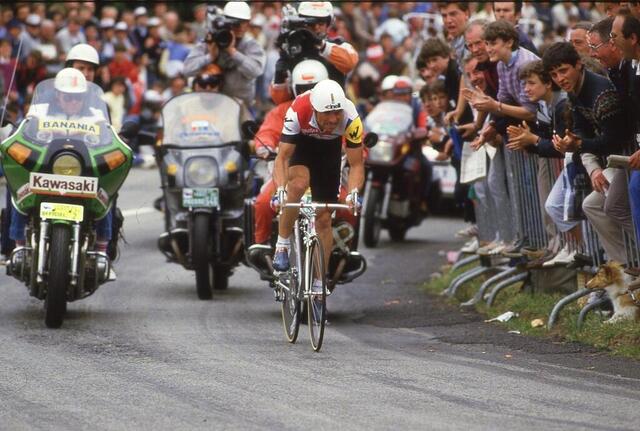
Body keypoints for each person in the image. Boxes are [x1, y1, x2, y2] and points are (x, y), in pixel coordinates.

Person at [543, 42, 633, 264]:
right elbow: (581, 128)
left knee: (613, 205)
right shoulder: (574, 91)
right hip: (613, 161)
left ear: (578, 64)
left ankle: (631, 261)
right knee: (591, 205)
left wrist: (579, 145)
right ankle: (622, 265)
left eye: (563, 70)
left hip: (628, 156)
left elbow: (613, 141)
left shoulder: (602, 94)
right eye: (554, 74)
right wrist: (586, 159)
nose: (560, 78)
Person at [270, 80, 364, 289]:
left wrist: (354, 193)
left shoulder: (350, 118)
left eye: (336, 113)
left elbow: (356, 164)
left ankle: (320, 283)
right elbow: (283, 157)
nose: (333, 119)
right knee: (297, 184)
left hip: (330, 150)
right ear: (314, 109)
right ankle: (282, 245)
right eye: (327, 114)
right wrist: (279, 191)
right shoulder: (298, 110)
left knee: (323, 218)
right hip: (302, 145)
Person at [251, 59, 329, 249]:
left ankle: (345, 248)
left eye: (314, 88)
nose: (308, 93)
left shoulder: (336, 110)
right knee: (262, 203)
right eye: (304, 88)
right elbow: (267, 133)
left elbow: (354, 138)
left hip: (324, 174)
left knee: (346, 205)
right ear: (294, 88)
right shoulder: (282, 111)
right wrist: (265, 147)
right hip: (288, 174)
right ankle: (262, 247)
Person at [270, 1, 358, 104]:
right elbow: (279, 101)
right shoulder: (292, 49)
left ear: (328, 24)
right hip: (300, 112)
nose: (316, 27)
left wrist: (320, 44)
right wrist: (279, 77)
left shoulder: (338, 44)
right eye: (310, 23)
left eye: (321, 23)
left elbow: (351, 62)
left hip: (334, 108)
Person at [183, 1, 266, 108]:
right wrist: (210, 57)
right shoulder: (211, 41)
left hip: (240, 106)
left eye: (244, 22)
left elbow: (255, 71)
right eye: (236, 23)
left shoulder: (251, 45)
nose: (240, 27)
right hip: (210, 105)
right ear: (226, 21)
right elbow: (187, 70)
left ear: (248, 23)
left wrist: (232, 51)